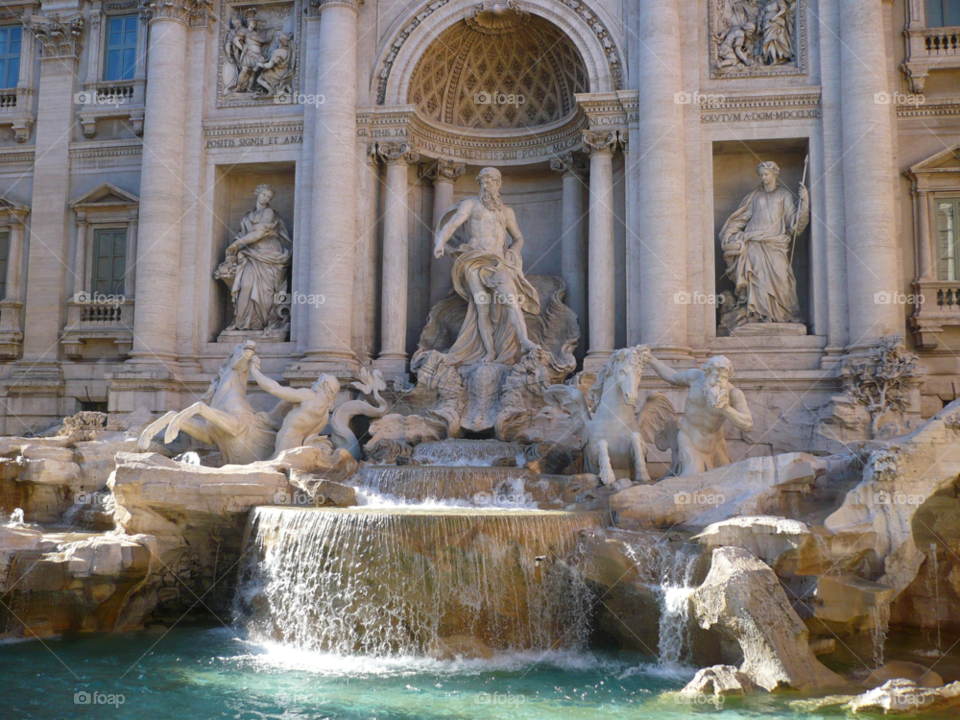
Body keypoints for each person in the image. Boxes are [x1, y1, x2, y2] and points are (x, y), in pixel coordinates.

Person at [432, 167, 540, 365]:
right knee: (482, 307)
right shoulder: (471, 205)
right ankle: (489, 352)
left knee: (511, 300)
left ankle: (524, 340)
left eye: (490, 181)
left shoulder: (506, 212)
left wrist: (512, 252)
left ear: (498, 184)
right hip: (473, 259)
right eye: (483, 181)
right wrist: (440, 242)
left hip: (498, 262)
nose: (486, 185)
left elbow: (518, 237)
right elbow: (453, 224)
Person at [720, 160, 808, 326]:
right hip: (754, 243)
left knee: (782, 278)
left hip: (775, 243)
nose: (763, 178)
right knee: (757, 279)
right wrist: (729, 232)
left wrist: (804, 202)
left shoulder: (784, 195)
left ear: (775, 175)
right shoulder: (755, 196)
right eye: (761, 175)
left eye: (766, 174)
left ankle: (782, 315)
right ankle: (759, 315)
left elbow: (794, 224)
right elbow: (742, 217)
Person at [642, 351, 754, 476]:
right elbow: (672, 377)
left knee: (725, 480)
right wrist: (650, 359)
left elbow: (748, 423)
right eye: (715, 375)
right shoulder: (695, 377)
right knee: (692, 477)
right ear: (707, 373)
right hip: (689, 440)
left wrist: (725, 408)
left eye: (723, 377)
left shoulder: (734, 394)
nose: (718, 380)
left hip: (716, 446)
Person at [223, 184, 292, 331]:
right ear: (257, 193)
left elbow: (258, 234)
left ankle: (264, 323)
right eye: (264, 194)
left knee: (266, 291)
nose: (265, 198)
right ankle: (241, 322)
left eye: (269, 197)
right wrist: (237, 245)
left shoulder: (268, 212)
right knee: (246, 285)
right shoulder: (248, 215)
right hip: (251, 254)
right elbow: (243, 234)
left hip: (268, 253)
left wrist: (236, 244)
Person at [249, 358, 340, 458]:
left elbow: (275, 389)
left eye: (317, 381)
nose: (312, 384)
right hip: (296, 446)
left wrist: (254, 371)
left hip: (285, 444)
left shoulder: (310, 396)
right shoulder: (324, 414)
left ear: (323, 384)